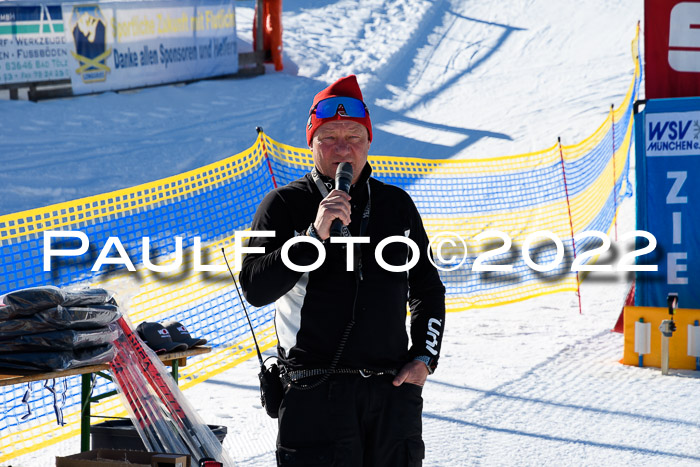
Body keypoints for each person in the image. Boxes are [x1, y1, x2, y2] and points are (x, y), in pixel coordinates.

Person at [240, 75, 446, 466]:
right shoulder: (283, 204)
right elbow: (255, 288)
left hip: (391, 396)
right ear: (311, 143)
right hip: (315, 396)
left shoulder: (396, 205)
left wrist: (424, 357)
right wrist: (313, 236)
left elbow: (427, 288)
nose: (342, 149)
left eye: (353, 137)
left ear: (368, 142)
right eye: (329, 137)